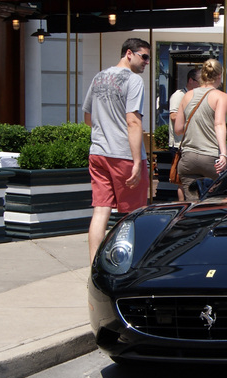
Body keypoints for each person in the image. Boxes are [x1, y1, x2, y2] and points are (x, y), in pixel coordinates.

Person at [83, 38, 151, 264]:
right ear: (129, 53)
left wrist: (105, 129)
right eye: (144, 57)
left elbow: (87, 117)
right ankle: (131, 262)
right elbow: (133, 121)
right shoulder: (134, 81)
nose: (147, 62)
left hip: (98, 151)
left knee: (100, 211)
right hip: (123, 154)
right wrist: (138, 161)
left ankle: (94, 264)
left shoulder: (99, 77)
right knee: (135, 214)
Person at [174, 58, 227, 201]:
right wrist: (223, 153)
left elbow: (178, 129)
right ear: (219, 76)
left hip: (188, 159)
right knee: (216, 204)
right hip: (212, 158)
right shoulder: (221, 96)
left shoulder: (187, 95)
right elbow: (219, 124)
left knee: (193, 206)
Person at [169, 68, 200, 200]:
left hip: (192, 143)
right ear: (190, 80)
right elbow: (173, 115)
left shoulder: (196, 95)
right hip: (179, 144)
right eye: (200, 81)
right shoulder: (179, 95)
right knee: (181, 181)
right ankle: (182, 206)